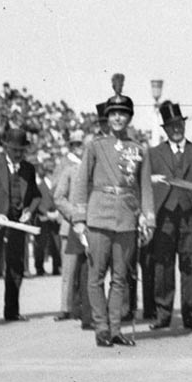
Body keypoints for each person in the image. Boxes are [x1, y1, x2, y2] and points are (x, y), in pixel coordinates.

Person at [71, 94, 156, 348]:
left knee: (121, 277)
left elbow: (145, 188)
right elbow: (81, 183)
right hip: (99, 216)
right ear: (107, 118)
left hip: (127, 219)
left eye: (123, 113)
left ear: (129, 117)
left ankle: (116, 328)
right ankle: (101, 328)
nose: (117, 117)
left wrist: (148, 219)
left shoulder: (139, 149)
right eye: (113, 113)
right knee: (96, 276)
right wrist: (78, 218)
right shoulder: (95, 146)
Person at [148, 100, 192, 330]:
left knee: (191, 267)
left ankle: (190, 314)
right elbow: (145, 186)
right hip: (164, 218)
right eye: (171, 126)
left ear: (184, 126)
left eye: (179, 125)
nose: (176, 129)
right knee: (163, 267)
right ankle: (163, 314)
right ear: (165, 129)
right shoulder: (154, 154)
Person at [0, 128, 41, 324]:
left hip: (18, 227)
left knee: (15, 269)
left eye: (22, 150)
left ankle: (12, 311)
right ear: (6, 148)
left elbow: (36, 195)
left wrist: (29, 210)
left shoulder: (29, 169)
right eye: (15, 150)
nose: (19, 154)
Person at [53, 131, 92, 328]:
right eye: (75, 145)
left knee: (88, 269)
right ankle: (65, 306)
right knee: (69, 269)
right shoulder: (67, 168)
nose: (79, 148)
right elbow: (58, 195)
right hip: (70, 224)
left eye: (81, 145)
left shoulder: (92, 167)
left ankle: (84, 308)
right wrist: (73, 214)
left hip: (90, 224)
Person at [34, 160, 61, 276]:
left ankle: (57, 267)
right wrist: (46, 214)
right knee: (41, 245)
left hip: (54, 218)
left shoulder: (57, 186)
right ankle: (39, 268)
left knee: (56, 244)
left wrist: (57, 213)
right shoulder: (40, 187)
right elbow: (36, 203)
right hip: (42, 219)